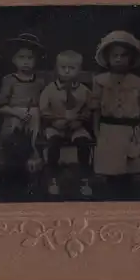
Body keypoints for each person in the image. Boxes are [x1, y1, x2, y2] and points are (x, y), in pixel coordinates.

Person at [91, 30, 140, 195]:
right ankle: (111, 193)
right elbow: (95, 107)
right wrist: (97, 130)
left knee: (129, 165)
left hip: (130, 129)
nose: (119, 59)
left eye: (123, 55)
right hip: (109, 129)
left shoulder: (137, 82)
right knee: (111, 165)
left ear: (130, 58)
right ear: (108, 59)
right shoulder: (100, 81)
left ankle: (127, 192)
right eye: (114, 55)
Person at [39, 50, 92, 195]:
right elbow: (43, 109)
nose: (67, 71)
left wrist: (80, 121)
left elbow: (89, 108)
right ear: (57, 68)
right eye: (63, 67)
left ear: (79, 70)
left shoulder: (84, 91)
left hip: (76, 126)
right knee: (53, 145)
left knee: (84, 144)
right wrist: (54, 121)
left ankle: (84, 180)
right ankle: (53, 179)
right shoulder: (50, 90)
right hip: (56, 125)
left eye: (72, 68)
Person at [0, 33, 46, 188]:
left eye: (30, 58)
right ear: (14, 60)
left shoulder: (39, 81)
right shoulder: (9, 80)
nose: (25, 62)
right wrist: (17, 112)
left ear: (36, 60)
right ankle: (11, 182)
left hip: (34, 121)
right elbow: (1, 107)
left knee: (33, 148)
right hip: (14, 120)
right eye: (21, 57)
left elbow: (44, 103)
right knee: (12, 149)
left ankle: (32, 182)